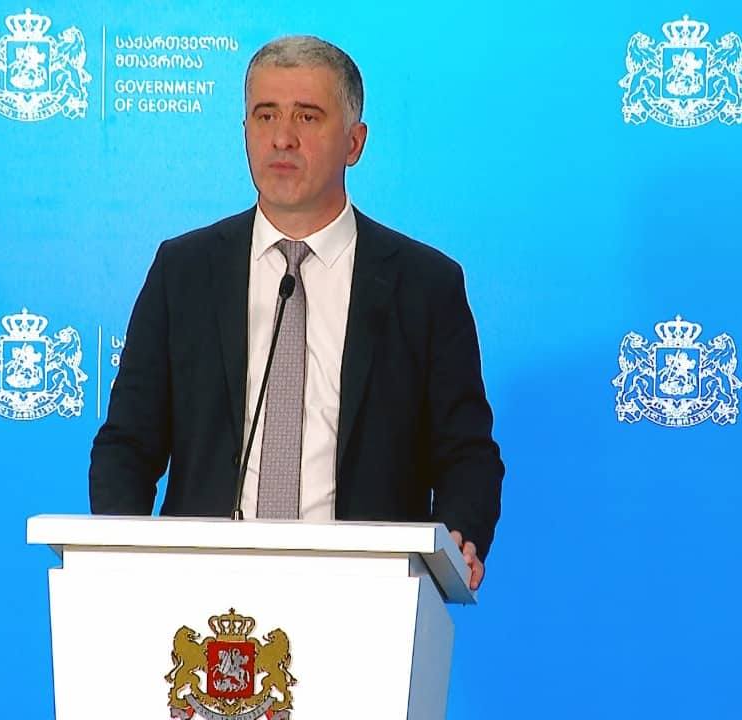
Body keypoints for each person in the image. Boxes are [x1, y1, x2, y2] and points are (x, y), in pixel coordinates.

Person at [89, 36, 503, 590]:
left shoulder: (424, 285)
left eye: (307, 116)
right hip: (201, 597)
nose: (282, 138)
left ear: (354, 142)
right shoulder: (183, 271)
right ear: (244, 131)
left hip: (365, 593)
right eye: (265, 116)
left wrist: (459, 536)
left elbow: (466, 454)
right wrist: (119, 559)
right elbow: (127, 444)